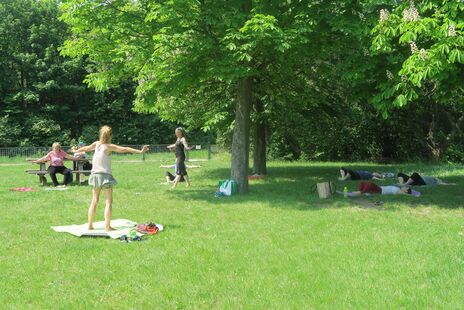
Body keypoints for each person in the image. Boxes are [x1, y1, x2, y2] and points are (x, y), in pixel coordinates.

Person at [71, 125, 149, 231]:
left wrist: (76, 150)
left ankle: (90, 225)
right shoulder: (108, 146)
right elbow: (125, 149)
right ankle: (107, 227)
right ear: (110, 135)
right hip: (105, 176)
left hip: (94, 175)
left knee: (94, 200)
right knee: (108, 202)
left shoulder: (96, 144)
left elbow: (86, 148)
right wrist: (140, 151)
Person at [348, 181, 420, 196]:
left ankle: (357, 193)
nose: (405, 186)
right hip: (379, 188)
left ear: (406, 191)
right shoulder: (399, 188)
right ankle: (356, 192)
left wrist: (414, 194)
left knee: (369, 184)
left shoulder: (400, 192)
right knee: (362, 183)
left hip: (380, 191)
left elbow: (407, 194)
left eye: (406, 187)